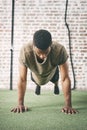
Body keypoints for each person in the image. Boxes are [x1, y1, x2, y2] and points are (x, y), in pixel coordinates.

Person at [11, 29, 78, 114]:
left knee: (56, 79)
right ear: (33, 46)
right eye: (39, 53)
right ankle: (38, 85)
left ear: (51, 45)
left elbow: (65, 78)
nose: (42, 56)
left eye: (45, 53)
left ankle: (55, 85)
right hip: (36, 74)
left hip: (52, 72)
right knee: (37, 81)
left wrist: (68, 105)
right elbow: (22, 79)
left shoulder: (59, 50)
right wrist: (20, 104)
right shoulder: (25, 51)